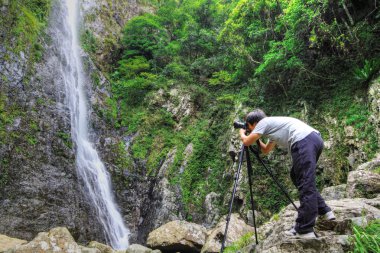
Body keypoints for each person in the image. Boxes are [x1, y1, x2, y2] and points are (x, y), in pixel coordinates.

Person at [239, 109, 335, 239]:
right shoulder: (272, 127)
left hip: (303, 141)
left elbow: (246, 142)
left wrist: (242, 133)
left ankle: (305, 228)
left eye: (249, 127)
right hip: (314, 139)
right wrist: (256, 139)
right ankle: (325, 211)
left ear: (255, 123)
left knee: (306, 183)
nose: (249, 129)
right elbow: (266, 150)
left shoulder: (263, 122)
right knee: (296, 177)